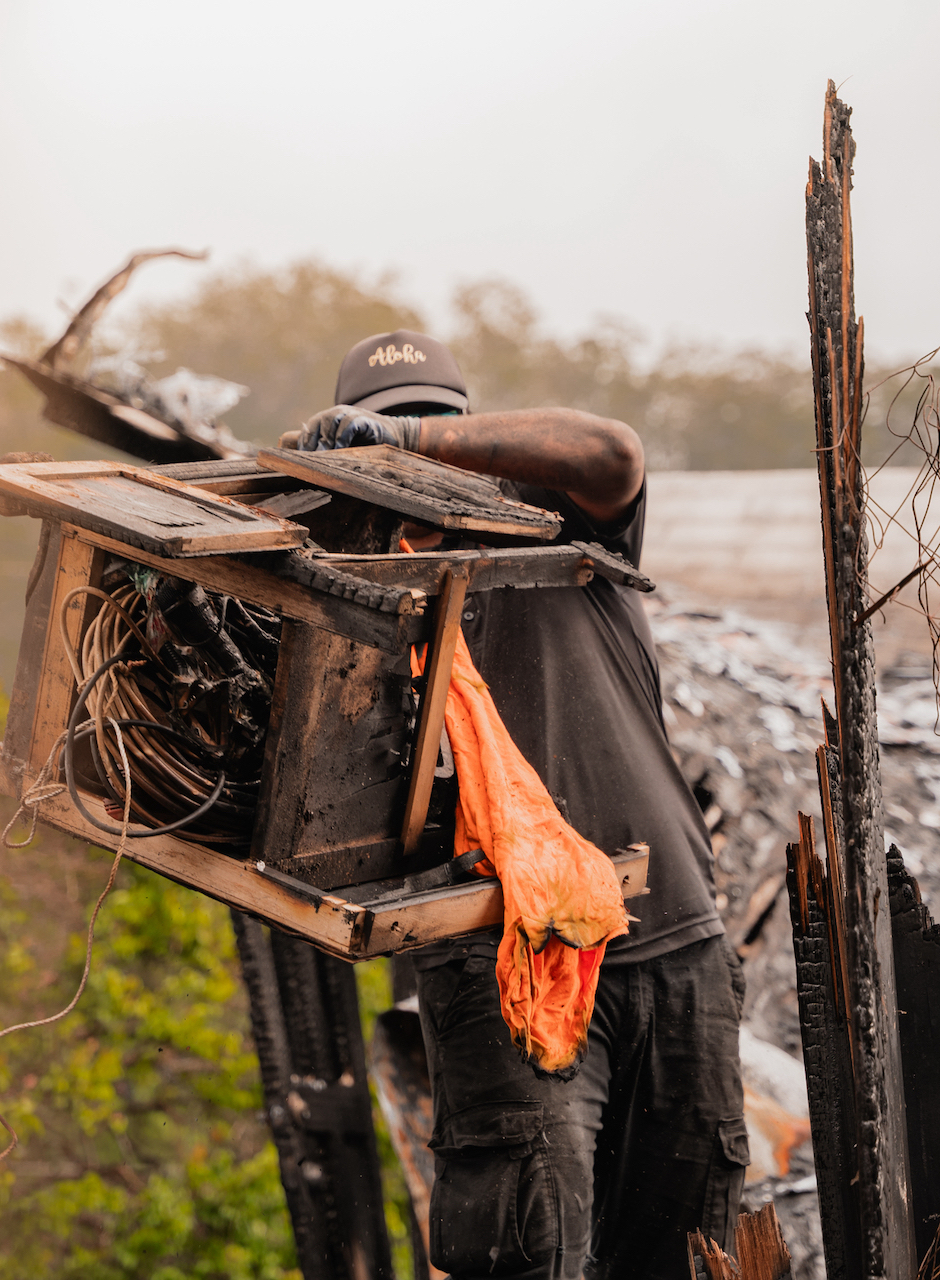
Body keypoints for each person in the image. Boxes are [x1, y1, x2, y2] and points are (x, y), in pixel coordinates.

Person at [285, 329, 748, 1280]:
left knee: (686, 1258)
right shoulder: (348, 594)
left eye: (431, 424)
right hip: (502, 967)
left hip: (674, 946)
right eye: (386, 430)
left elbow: (615, 451)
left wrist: (402, 446)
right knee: (530, 1257)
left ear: (468, 431)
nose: (413, 442)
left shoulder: (556, 517)